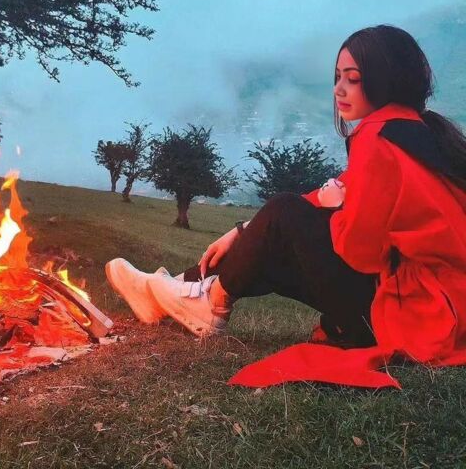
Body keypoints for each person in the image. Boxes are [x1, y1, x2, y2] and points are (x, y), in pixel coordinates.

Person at [105, 24, 466, 388]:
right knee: (279, 223)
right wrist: (244, 229)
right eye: (337, 77)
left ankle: (209, 302)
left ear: (385, 79)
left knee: (283, 211)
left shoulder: (378, 137)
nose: (339, 89)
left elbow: (361, 253)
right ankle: (170, 290)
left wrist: (335, 208)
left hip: (415, 317)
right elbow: (334, 191)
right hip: (433, 312)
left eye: (353, 79)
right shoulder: (414, 131)